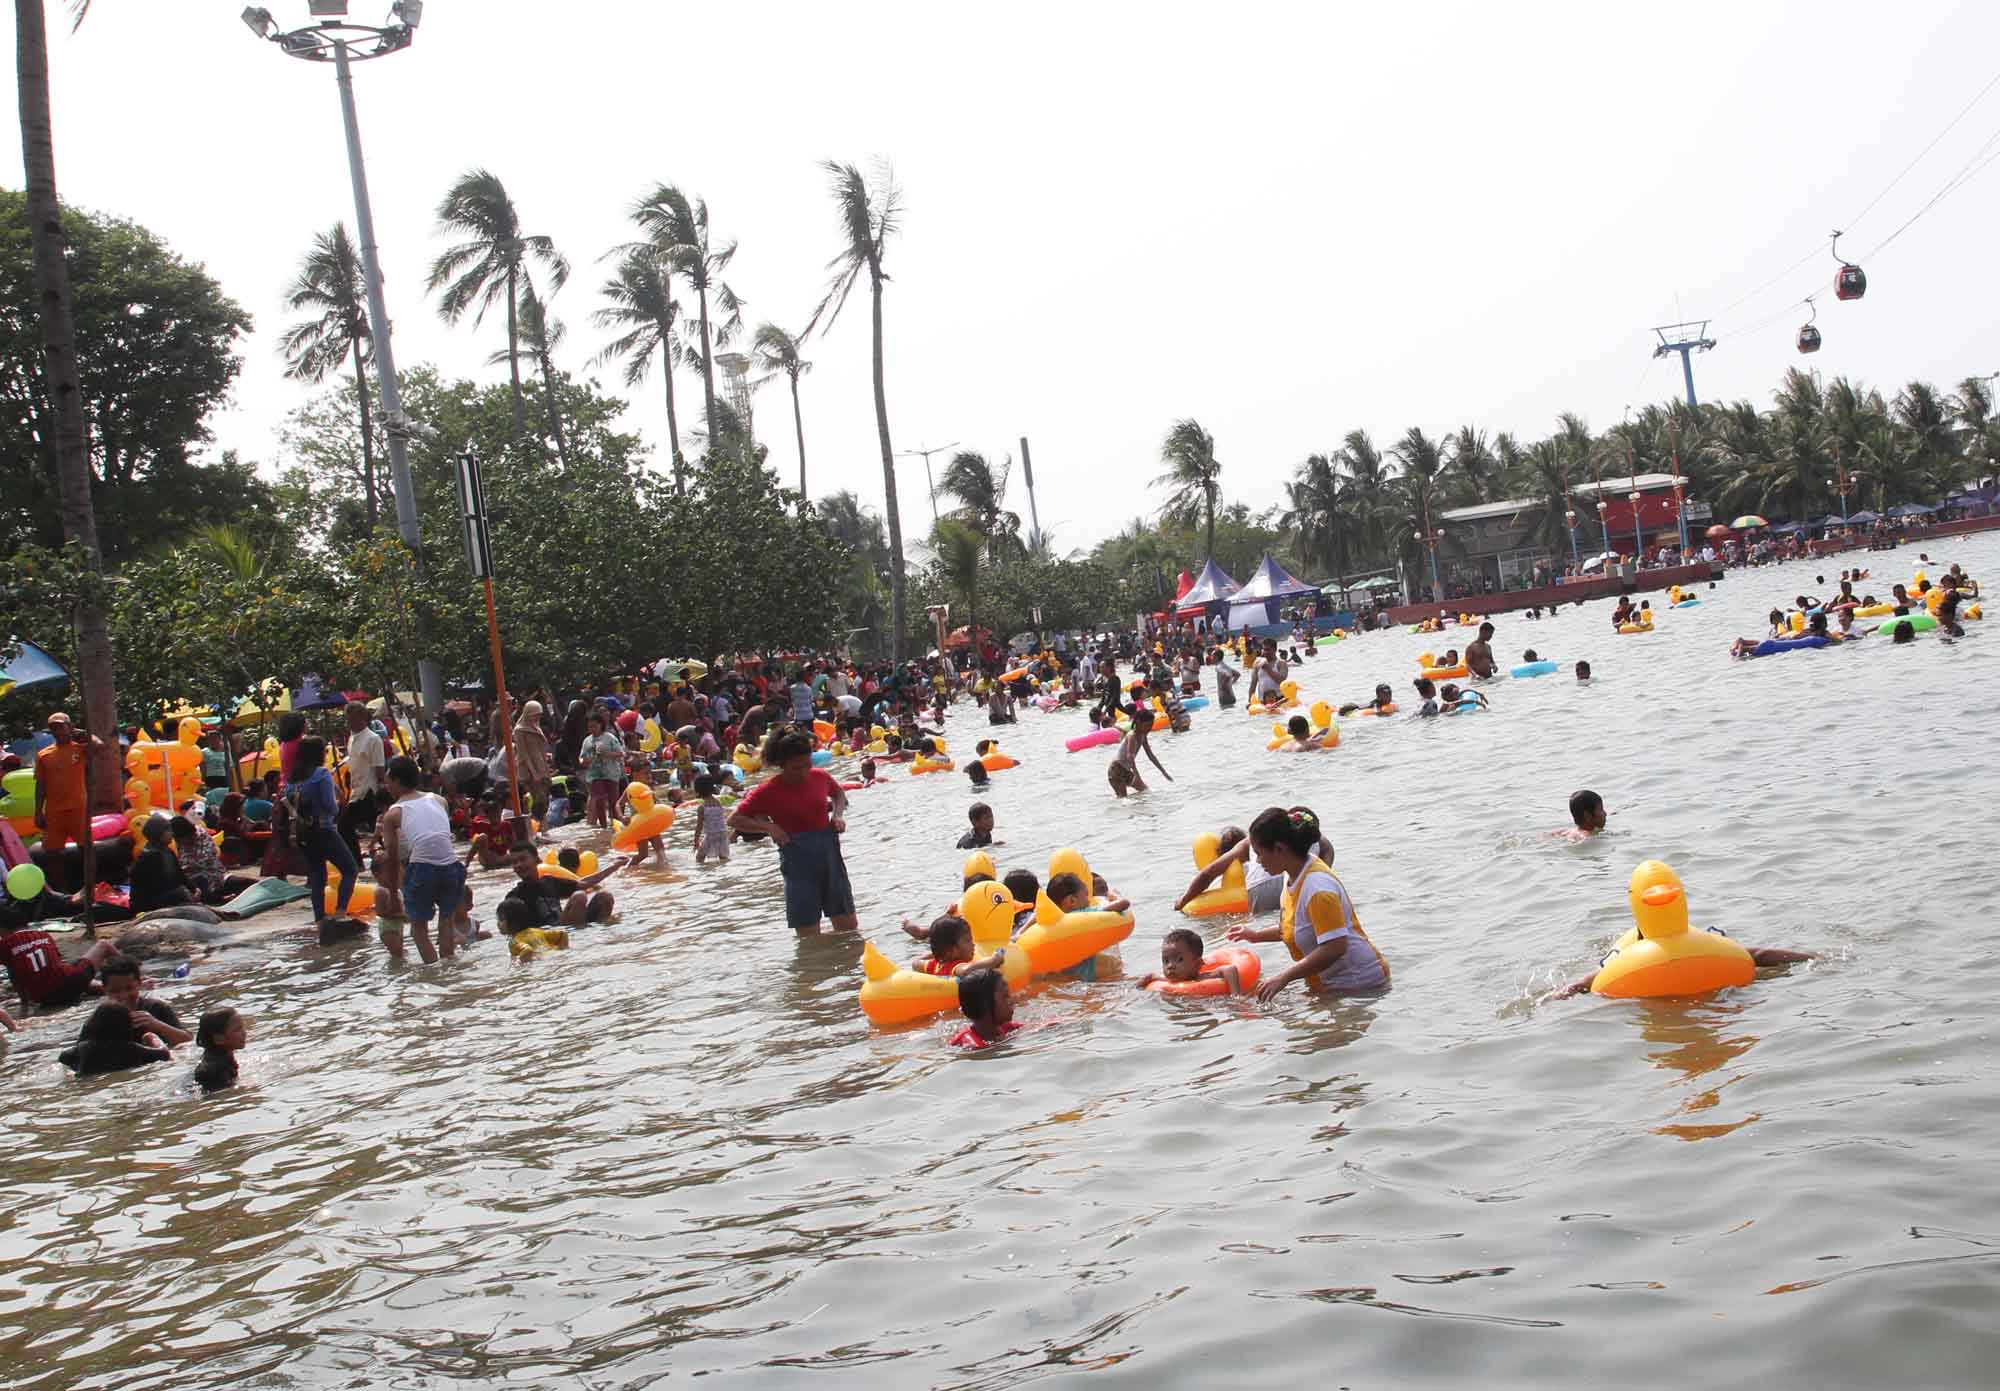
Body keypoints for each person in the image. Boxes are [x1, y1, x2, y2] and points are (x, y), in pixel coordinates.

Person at [1227, 807, 1388, 1001]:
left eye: (1260, 853)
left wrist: (1284, 977)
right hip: (1330, 983)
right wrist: (1255, 936)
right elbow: (1297, 927)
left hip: (1359, 984)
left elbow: (1335, 947)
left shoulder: (1317, 888)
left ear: (1279, 849)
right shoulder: (1292, 874)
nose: (1258, 862)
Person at [727, 730, 857, 934]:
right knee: (809, 939)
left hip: (831, 861)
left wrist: (838, 815)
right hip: (798, 867)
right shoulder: (767, 791)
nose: (804, 772)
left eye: (807, 765)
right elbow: (734, 819)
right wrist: (770, 827)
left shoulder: (820, 777)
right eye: (796, 768)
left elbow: (839, 794)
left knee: (849, 930)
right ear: (782, 764)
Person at [377, 754, 466, 964]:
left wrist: (392, 893)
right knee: (446, 923)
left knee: (418, 931)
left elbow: (391, 856)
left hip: (423, 869)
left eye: (388, 779)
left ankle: (433, 974)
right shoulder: (439, 800)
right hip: (451, 867)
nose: (386, 784)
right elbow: (439, 837)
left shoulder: (393, 813)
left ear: (397, 780)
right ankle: (449, 969)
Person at [289, 738, 359, 925]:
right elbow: (330, 807)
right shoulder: (321, 774)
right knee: (350, 869)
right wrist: (337, 805)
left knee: (318, 875)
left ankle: (319, 918)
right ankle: (340, 912)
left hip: (304, 832)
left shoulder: (293, 779)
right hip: (324, 829)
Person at [1, 902, 117, 1009]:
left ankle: (102, 984)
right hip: (69, 982)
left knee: (69, 974)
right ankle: (130, 972)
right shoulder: (43, 935)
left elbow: (14, 976)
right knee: (103, 945)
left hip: (44, 998)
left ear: (2, 929)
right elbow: (55, 964)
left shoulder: (4, 945)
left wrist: (24, 1002)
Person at [497, 843, 623, 934]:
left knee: (605, 897)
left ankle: (596, 936)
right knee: (579, 897)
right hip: (550, 935)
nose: (519, 865)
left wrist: (614, 866)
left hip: (565, 926)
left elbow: (584, 883)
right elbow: (503, 924)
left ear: (536, 860)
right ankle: (581, 937)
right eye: (514, 862)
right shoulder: (515, 896)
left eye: (523, 859)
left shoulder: (550, 881)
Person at [33, 712, 100, 874]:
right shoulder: (44, 755)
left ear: (69, 727)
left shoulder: (80, 749)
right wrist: (38, 812)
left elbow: (99, 745)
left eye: (61, 726)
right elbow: (41, 786)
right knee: (52, 853)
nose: (57, 731)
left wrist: (83, 732)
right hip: (54, 811)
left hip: (78, 808)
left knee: (86, 848)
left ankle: (91, 886)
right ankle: (61, 893)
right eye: (53, 728)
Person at [57, 1003, 173, 1076]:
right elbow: (164, 1054)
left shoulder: (83, 1048)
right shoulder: (133, 1049)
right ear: (128, 1028)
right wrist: (152, 1038)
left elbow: (63, 1057)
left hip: (87, 1083)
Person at [100, 954, 191, 1047]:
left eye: (129, 988)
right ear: (104, 991)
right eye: (115, 991)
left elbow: (188, 1041)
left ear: (139, 984)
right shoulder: (100, 1020)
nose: (124, 995)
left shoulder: (157, 1009)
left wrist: (158, 1026)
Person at [337, 702, 386, 863]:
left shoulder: (373, 739)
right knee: (378, 827)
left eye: (351, 719)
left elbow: (379, 768)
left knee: (344, 826)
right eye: (347, 719)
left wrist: (382, 790)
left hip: (369, 791)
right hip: (356, 791)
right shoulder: (351, 738)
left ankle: (356, 862)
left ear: (362, 718)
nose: (348, 723)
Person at [1134, 926, 1245, 994]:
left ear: (1198, 963)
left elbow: (1230, 969)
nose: (1170, 966)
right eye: (1166, 961)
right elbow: (1150, 976)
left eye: (1179, 959)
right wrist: (1137, 988)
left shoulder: (1203, 977)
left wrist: (1236, 995)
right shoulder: (1166, 981)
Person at [130, 816, 195, 913]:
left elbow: (179, 874)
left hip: (165, 894)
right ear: (158, 834)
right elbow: (155, 887)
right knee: (180, 893)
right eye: (168, 830)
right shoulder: (148, 857)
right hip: (148, 902)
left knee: (199, 882)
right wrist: (182, 892)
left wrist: (194, 888)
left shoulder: (168, 852)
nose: (172, 833)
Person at [915, 914, 1009, 977]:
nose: (973, 944)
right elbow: (966, 970)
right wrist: (993, 960)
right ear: (952, 950)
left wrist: (939, 953)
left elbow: (916, 963)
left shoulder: (935, 964)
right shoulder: (955, 966)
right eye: (968, 941)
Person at [950, 966, 1021, 1049]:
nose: (1012, 1001)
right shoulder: (973, 1046)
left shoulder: (1006, 1027)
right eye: (1005, 996)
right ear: (985, 1005)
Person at [1109, 708, 1172, 799]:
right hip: (1116, 770)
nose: (1150, 728)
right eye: (1148, 725)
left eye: (1151, 725)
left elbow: (1150, 755)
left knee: (1145, 791)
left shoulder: (1142, 735)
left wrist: (1163, 772)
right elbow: (1130, 757)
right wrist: (1137, 776)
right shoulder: (1132, 736)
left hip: (1125, 769)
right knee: (1123, 799)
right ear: (1138, 722)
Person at [170, 815, 230, 904]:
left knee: (198, 880)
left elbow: (205, 860)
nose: (179, 841)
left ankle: (216, 899)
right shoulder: (180, 841)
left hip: (210, 873)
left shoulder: (201, 836)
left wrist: (184, 869)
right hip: (190, 874)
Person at [581, 712, 626, 830]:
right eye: (589, 726)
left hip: (611, 772)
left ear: (601, 725)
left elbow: (621, 753)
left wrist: (607, 754)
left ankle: (616, 825)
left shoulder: (610, 738)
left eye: (594, 726)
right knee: (599, 799)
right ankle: (603, 826)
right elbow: (582, 756)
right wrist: (584, 761)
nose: (592, 729)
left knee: (613, 801)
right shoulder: (587, 741)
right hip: (595, 774)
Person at [512, 700, 553, 818]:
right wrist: (534, 773)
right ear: (528, 713)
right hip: (528, 769)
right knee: (539, 800)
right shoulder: (519, 730)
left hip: (541, 766)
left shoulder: (536, 727)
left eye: (539, 715)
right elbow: (523, 754)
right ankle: (535, 823)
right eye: (535, 715)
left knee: (545, 799)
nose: (537, 718)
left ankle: (542, 827)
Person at [193, 1007, 247, 1092]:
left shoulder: (216, 1057)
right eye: (237, 1030)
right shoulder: (217, 1069)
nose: (244, 1033)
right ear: (219, 1039)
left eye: (242, 1027)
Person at [692, 774, 731, 864]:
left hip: (711, 835)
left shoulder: (702, 807)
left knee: (699, 859)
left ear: (698, 790)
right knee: (723, 858)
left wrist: (696, 841)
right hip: (723, 834)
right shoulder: (719, 802)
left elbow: (699, 826)